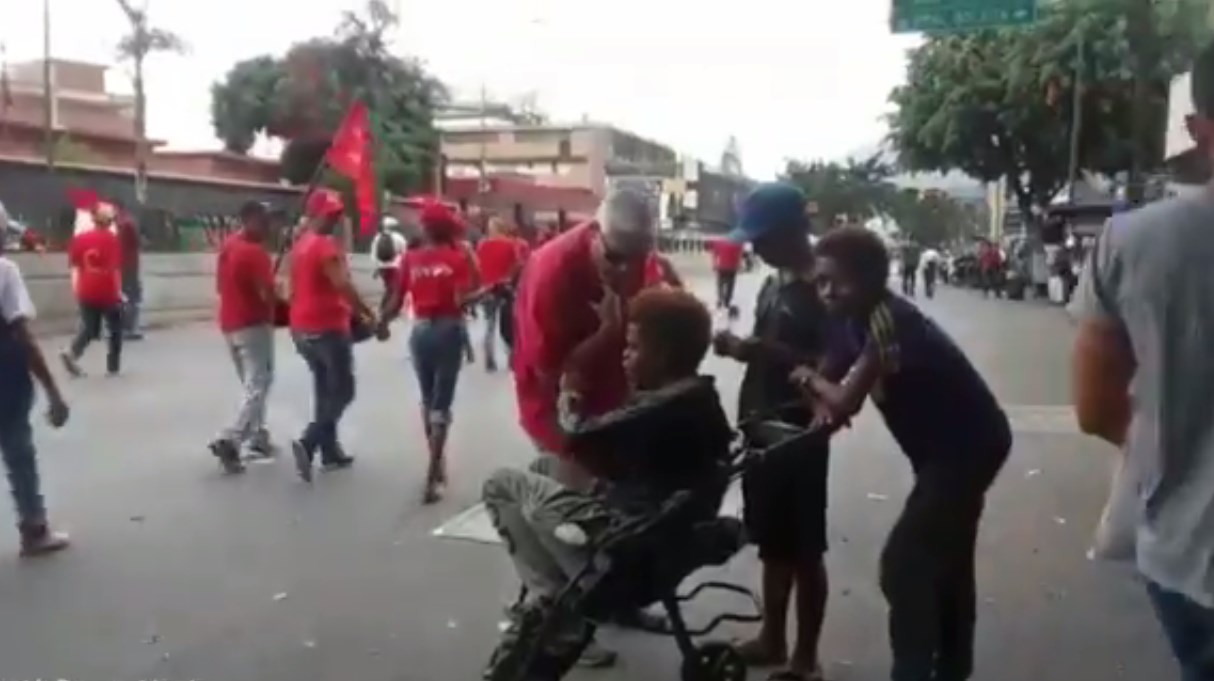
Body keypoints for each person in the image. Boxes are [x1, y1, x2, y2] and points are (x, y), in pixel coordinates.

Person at [792, 227, 1011, 681]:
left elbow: (844, 397)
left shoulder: (889, 320)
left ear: (873, 279)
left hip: (968, 447)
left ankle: (912, 670)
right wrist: (817, 412)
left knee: (904, 566)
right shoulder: (843, 318)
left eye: (838, 281)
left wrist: (807, 381)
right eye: (821, 282)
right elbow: (831, 379)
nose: (828, 292)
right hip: (937, 451)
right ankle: (952, 667)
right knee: (947, 559)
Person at [483, 286, 732, 677]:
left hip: (625, 546)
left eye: (632, 348)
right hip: (657, 527)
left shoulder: (656, 412)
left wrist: (567, 399)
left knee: (502, 484)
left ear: (662, 355)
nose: (624, 356)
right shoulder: (698, 399)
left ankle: (555, 600)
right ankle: (558, 596)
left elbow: (575, 437)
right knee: (544, 469)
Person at [1070, 42, 1214, 681]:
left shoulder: (1133, 241)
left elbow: (1095, 408)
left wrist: (1176, 446)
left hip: (1188, 555)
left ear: (1198, 128)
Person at [510, 187, 663, 666]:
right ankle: (566, 625)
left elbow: (656, 311)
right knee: (569, 521)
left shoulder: (636, 256)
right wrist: (604, 333)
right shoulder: (554, 269)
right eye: (618, 258)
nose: (627, 269)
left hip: (618, 401)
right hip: (558, 408)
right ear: (597, 236)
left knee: (617, 512)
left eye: (637, 258)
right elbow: (547, 369)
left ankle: (618, 603)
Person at [712, 183, 831, 681]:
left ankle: (805, 659)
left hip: (799, 430)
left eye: (761, 238)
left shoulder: (825, 288)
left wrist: (754, 351)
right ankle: (772, 638)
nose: (753, 248)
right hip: (761, 423)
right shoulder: (775, 280)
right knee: (773, 542)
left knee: (804, 547)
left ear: (789, 233)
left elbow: (835, 365)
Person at [380, 200, 480, 503]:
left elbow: (396, 300)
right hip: (449, 331)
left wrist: (381, 323)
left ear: (425, 228)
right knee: (442, 403)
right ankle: (433, 472)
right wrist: (483, 285)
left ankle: (438, 466)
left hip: (420, 332)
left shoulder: (410, 258)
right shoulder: (458, 257)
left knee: (427, 400)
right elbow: (464, 298)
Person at [287, 191, 372, 482]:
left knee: (324, 388)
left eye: (338, 214)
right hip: (327, 327)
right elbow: (342, 285)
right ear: (318, 215)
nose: (335, 219)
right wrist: (366, 313)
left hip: (301, 328)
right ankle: (310, 441)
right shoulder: (324, 246)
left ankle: (330, 450)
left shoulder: (300, 245)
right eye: (331, 214)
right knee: (344, 390)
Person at [0, 234, 71, 555]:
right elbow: (22, 334)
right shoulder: (5, 271)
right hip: (6, 374)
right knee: (19, 452)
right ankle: (33, 527)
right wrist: (52, 390)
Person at [208, 201, 279, 473]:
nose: (269, 226)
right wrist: (279, 295)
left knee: (252, 385)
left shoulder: (228, 246)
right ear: (250, 219)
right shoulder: (255, 253)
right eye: (265, 220)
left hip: (229, 323)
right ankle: (233, 437)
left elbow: (219, 286)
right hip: (253, 324)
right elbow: (267, 294)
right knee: (259, 383)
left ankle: (258, 436)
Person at [61, 203, 124, 378]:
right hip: (107, 291)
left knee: (89, 328)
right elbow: (115, 269)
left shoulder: (79, 239)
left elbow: (74, 265)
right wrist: (119, 291)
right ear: (109, 221)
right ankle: (113, 367)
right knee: (115, 329)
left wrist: (76, 289)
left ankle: (72, 352)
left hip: (85, 289)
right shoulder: (112, 239)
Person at [476, 216, 526, 372]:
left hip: (487, 288)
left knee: (489, 324)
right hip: (505, 287)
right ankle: (511, 356)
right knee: (508, 324)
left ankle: (489, 358)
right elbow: (518, 263)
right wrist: (509, 277)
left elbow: (478, 266)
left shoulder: (482, 245)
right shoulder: (509, 245)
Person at [114, 200, 143, 340]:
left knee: (123, 295)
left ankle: (123, 326)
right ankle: (130, 327)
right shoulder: (128, 223)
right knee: (132, 296)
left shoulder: (117, 224)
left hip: (119, 265)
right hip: (130, 265)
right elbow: (137, 242)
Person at [370, 222, 407, 312]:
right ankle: (384, 309)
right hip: (395, 266)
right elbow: (404, 253)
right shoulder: (400, 237)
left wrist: (377, 268)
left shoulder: (378, 237)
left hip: (383, 267)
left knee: (390, 287)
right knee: (393, 288)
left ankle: (387, 308)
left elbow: (374, 254)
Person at [710, 236, 744, 313]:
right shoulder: (737, 240)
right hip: (732, 266)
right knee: (730, 284)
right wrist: (739, 264)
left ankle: (720, 299)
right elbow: (739, 253)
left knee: (720, 283)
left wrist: (714, 263)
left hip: (721, 265)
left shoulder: (718, 239)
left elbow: (714, 252)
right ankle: (726, 301)